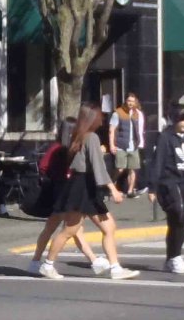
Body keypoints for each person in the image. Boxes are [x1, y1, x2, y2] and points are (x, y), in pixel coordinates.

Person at [42, 103, 139, 280]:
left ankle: (115, 268)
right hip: (83, 187)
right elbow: (98, 167)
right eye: (100, 116)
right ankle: (48, 265)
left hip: (83, 186)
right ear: (92, 119)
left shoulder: (79, 136)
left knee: (108, 227)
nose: (102, 120)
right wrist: (113, 189)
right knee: (70, 231)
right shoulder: (91, 137)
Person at [25, 117, 105, 278]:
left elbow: (43, 167)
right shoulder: (68, 148)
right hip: (65, 191)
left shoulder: (58, 147)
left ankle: (35, 262)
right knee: (72, 228)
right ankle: (92, 261)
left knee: (56, 228)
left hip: (59, 190)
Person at [148, 107, 184, 274]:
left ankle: (172, 257)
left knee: (182, 221)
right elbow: (158, 162)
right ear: (175, 121)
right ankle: (175, 257)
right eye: (183, 120)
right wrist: (152, 187)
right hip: (170, 182)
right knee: (180, 214)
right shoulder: (165, 137)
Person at [109, 93, 146, 197]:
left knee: (133, 168)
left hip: (133, 145)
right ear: (126, 101)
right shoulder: (118, 113)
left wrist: (140, 143)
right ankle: (111, 186)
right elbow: (111, 130)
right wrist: (112, 145)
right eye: (129, 101)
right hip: (121, 145)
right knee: (120, 168)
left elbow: (140, 129)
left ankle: (130, 191)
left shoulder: (137, 114)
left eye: (132, 101)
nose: (130, 103)